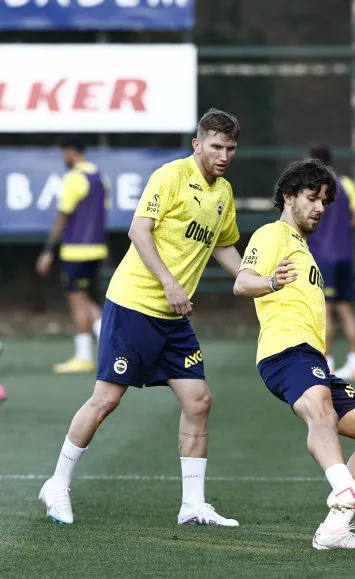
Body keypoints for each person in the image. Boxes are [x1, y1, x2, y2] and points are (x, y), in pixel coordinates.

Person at [38, 109, 244, 527]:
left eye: (230, 148)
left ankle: (192, 506)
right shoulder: (170, 176)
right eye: (216, 146)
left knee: (198, 400)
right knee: (106, 400)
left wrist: (253, 280)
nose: (223, 155)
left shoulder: (223, 192)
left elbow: (223, 245)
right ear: (197, 144)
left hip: (173, 318)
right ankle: (56, 484)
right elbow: (138, 230)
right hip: (134, 305)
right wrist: (170, 283)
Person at [234, 159, 355, 550]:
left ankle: (335, 529)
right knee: (321, 412)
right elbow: (242, 282)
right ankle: (343, 487)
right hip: (284, 352)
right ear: (289, 197)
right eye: (312, 198)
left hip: (311, 359)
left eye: (324, 201)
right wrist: (272, 281)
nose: (320, 208)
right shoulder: (272, 234)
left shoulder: (304, 248)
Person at [35, 136, 109, 374]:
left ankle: (85, 355)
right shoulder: (101, 178)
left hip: (76, 250)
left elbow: (63, 216)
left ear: (70, 151)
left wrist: (48, 251)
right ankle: (107, 343)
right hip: (97, 249)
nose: (63, 158)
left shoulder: (74, 178)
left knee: (78, 301)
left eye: (63, 153)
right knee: (86, 300)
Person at [305, 147, 355, 381]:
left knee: (325, 311)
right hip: (345, 256)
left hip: (323, 257)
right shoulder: (347, 184)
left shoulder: (312, 188)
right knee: (346, 309)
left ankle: (327, 363)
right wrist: (340, 230)